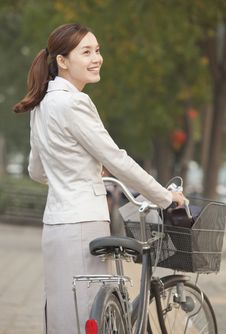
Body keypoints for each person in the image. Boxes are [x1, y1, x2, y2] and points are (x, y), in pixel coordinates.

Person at [13, 23, 185, 334]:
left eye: (98, 50)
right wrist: (164, 196)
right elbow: (115, 158)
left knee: (65, 316)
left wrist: (74, 171)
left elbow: (37, 172)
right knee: (89, 316)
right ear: (62, 61)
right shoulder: (75, 102)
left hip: (55, 225)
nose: (97, 58)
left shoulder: (42, 104)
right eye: (87, 52)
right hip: (84, 222)